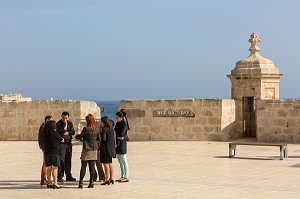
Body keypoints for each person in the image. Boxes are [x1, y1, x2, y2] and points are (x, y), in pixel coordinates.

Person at [75, 114, 100, 188]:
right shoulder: (97, 129)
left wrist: (77, 136)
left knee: (83, 166)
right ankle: (91, 183)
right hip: (94, 149)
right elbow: (99, 138)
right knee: (92, 167)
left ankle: (81, 183)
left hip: (86, 149)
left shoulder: (86, 129)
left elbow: (80, 137)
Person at [43, 120, 64, 189]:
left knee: (49, 168)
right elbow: (61, 140)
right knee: (55, 168)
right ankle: (55, 183)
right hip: (54, 153)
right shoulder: (55, 133)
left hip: (46, 153)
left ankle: (49, 182)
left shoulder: (45, 133)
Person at [56, 111, 76, 182]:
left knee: (68, 159)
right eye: (64, 118)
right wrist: (65, 127)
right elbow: (61, 132)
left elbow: (73, 132)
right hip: (62, 144)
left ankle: (68, 175)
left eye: (66, 118)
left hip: (69, 143)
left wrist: (67, 133)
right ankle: (60, 176)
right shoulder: (58, 124)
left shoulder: (70, 123)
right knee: (62, 159)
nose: (65, 120)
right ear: (61, 116)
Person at [100, 116, 116, 185]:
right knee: (110, 163)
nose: (100, 123)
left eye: (101, 122)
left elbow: (104, 139)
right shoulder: (111, 129)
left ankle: (106, 179)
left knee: (105, 164)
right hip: (111, 148)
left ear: (104, 122)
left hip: (105, 149)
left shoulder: (104, 129)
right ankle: (111, 178)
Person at [114, 112, 129, 182]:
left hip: (122, 144)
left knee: (124, 160)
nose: (116, 119)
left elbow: (122, 134)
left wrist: (118, 135)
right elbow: (115, 131)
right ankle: (122, 175)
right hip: (117, 143)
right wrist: (118, 135)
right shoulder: (117, 123)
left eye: (117, 118)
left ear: (121, 117)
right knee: (120, 160)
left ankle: (126, 176)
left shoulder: (124, 123)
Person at [38, 115, 53, 185]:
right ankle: (43, 179)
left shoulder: (43, 126)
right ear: (47, 120)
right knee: (45, 163)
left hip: (44, 146)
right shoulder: (44, 127)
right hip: (45, 146)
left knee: (45, 162)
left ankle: (43, 179)